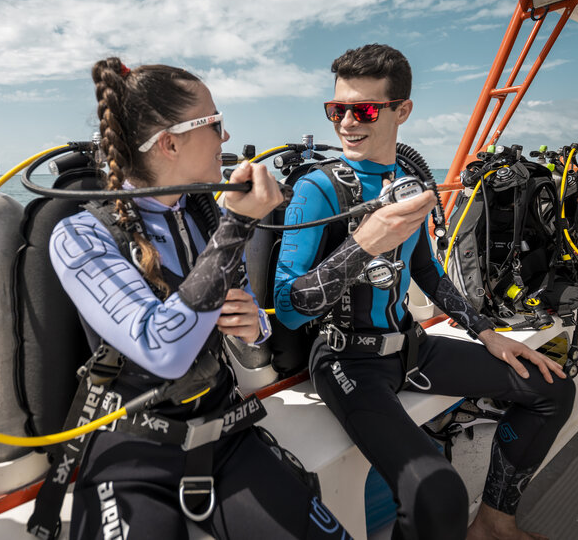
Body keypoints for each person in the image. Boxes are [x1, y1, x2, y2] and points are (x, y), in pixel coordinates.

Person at [273, 44, 576, 540]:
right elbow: (288, 309)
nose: (348, 122)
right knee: (437, 494)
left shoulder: (409, 183)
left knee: (551, 387)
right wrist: (363, 244)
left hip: (412, 347)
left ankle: (495, 525)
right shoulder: (316, 190)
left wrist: (486, 333)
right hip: (348, 362)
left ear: (402, 110)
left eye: (365, 109)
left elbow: (426, 273)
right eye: (337, 109)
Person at [49, 58, 353, 540]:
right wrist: (237, 225)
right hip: (132, 448)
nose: (226, 137)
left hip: (222, 430)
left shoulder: (204, 216)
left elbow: (256, 328)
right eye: (214, 124)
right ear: (170, 142)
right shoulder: (80, 236)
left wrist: (254, 325)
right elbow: (161, 349)